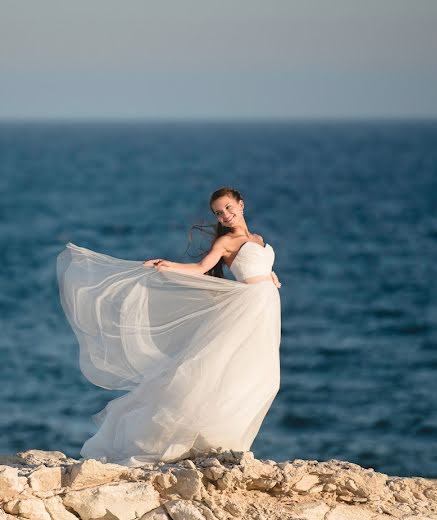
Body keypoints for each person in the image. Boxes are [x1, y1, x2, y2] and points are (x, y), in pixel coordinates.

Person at [56, 186, 282, 467]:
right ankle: (196, 438)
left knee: (262, 376)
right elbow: (201, 268)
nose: (225, 215)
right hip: (247, 309)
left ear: (241, 204)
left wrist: (269, 276)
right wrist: (169, 266)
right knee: (220, 370)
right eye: (218, 212)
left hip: (265, 309)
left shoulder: (258, 239)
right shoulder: (225, 244)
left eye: (228, 208)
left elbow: (258, 266)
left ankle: (226, 439)